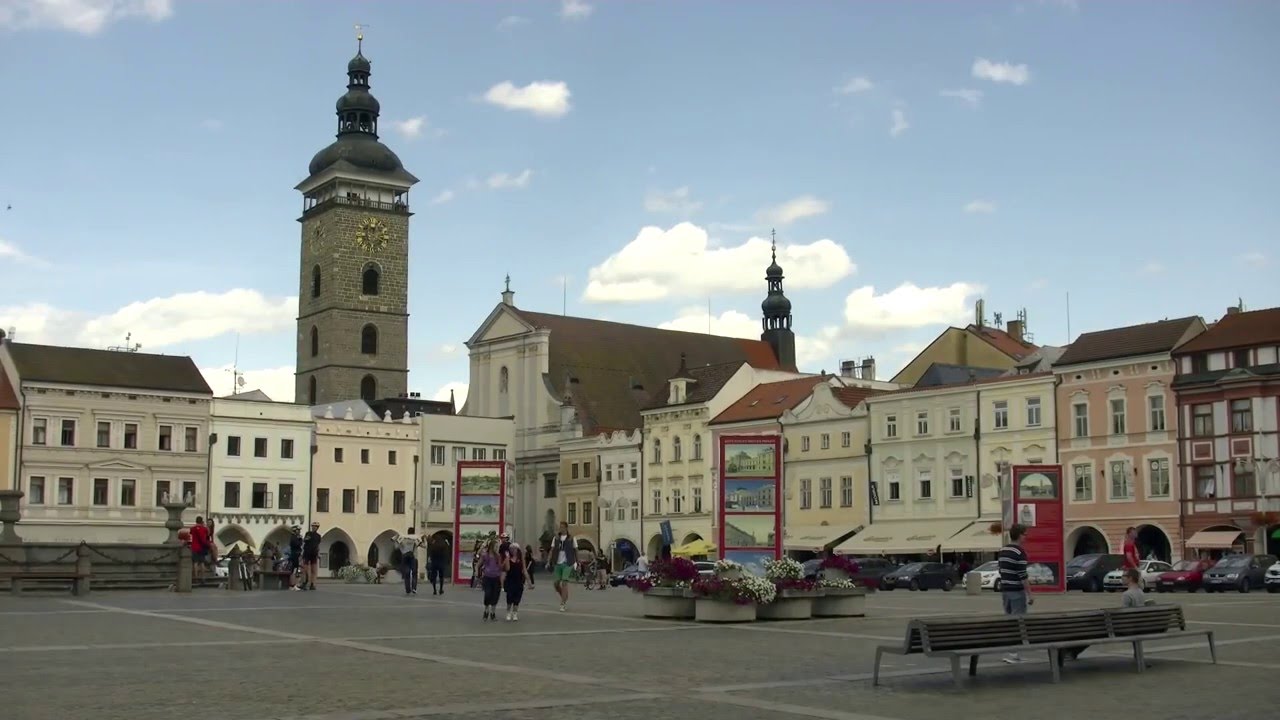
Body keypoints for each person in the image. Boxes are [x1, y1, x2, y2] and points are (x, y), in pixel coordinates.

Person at [998, 523, 1033, 664]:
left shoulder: (1002, 551)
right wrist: (1030, 594)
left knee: (1009, 621)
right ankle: (1013, 654)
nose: (1026, 537)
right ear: (1019, 535)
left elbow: (1001, 571)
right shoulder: (1020, 552)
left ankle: (1011, 652)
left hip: (1005, 591)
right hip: (1017, 592)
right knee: (1019, 622)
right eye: (1025, 534)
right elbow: (1022, 575)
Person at [547, 521, 577, 612]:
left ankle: (563, 603)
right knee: (556, 583)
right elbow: (552, 550)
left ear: (566, 528)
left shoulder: (571, 538)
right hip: (557, 563)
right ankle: (563, 596)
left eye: (563, 527)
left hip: (568, 563)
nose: (561, 529)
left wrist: (577, 562)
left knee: (564, 582)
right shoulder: (556, 538)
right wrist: (548, 561)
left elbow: (576, 550)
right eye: (560, 527)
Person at [478, 538, 504, 620]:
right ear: (492, 546)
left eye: (498, 546)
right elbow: (479, 563)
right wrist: (476, 571)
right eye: (496, 546)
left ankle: (493, 613)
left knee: (495, 595)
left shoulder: (498, 556)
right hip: (487, 577)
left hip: (496, 577)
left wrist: (504, 562)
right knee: (488, 594)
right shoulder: (485, 555)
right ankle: (486, 611)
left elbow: (500, 567)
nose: (497, 548)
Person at [503, 539, 528, 621]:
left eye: (515, 549)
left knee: (517, 599)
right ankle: (508, 612)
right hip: (510, 581)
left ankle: (515, 613)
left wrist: (529, 582)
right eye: (512, 549)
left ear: (518, 550)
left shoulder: (521, 560)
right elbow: (507, 569)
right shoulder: (508, 559)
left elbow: (524, 570)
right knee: (509, 598)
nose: (513, 550)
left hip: (519, 581)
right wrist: (507, 559)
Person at [395, 527, 423, 595]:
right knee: (414, 574)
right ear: (414, 532)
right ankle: (414, 588)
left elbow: (396, 547)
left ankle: (408, 589)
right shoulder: (416, 539)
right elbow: (424, 546)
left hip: (405, 557)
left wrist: (397, 542)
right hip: (414, 558)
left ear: (408, 532)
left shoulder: (403, 539)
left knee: (407, 574)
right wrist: (424, 540)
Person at [189, 516, 212, 583]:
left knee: (195, 563)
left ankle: (195, 577)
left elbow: (190, 533)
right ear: (202, 521)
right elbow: (208, 534)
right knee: (202, 563)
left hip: (194, 547)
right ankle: (203, 578)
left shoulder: (192, 528)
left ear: (196, 521)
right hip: (202, 547)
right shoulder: (204, 529)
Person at [301, 522, 321, 591]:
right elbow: (305, 541)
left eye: (315, 526)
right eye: (313, 526)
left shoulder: (318, 536)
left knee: (314, 570)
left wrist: (318, 554)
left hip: (314, 554)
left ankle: (312, 584)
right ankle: (304, 582)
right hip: (307, 553)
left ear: (317, 528)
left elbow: (318, 545)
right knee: (305, 569)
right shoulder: (308, 533)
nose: (314, 527)